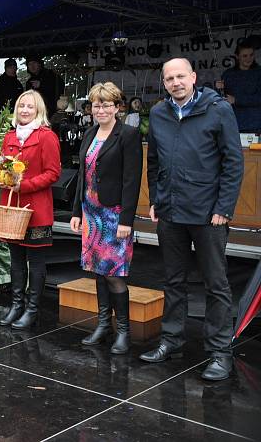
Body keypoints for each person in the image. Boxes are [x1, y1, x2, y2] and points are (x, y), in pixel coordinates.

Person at [141, 57, 244, 381]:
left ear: (194, 77)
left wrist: (223, 209)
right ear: (164, 82)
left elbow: (233, 162)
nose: (175, 83)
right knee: (173, 280)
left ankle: (219, 353)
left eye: (181, 76)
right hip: (171, 211)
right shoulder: (158, 113)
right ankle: (171, 340)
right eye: (169, 78)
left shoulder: (218, 110)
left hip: (208, 215)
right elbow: (154, 161)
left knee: (216, 284)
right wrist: (157, 200)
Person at [70, 82, 142, 354]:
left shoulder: (128, 134)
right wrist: (77, 212)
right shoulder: (89, 133)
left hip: (113, 215)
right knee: (98, 273)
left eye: (106, 104)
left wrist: (126, 220)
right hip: (91, 213)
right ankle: (103, 325)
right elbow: (82, 177)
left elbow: (131, 181)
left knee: (114, 274)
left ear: (117, 108)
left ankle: (123, 331)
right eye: (96, 105)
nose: (101, 109)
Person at [0, 90, 61, 328]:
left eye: (30, 107)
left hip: (36, 209)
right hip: (12, 208)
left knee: (35, 261)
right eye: (21, 105)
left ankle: (32, 309)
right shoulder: (10, 136)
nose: (24, 110)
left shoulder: (46, 137)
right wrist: (0, 176)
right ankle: (16, 305)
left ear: (39, 110)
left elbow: (53, 173)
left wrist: (25, 185)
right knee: (15, 260)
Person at [221, 40, 261, 132]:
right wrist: (218, 88)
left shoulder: (259, 72)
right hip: (235, 124)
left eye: (251, 55)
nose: (249, 58)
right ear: (237, 56)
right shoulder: (228, 74)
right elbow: (222, 99)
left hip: (257, 125)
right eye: (245, 56)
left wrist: (236, 100)